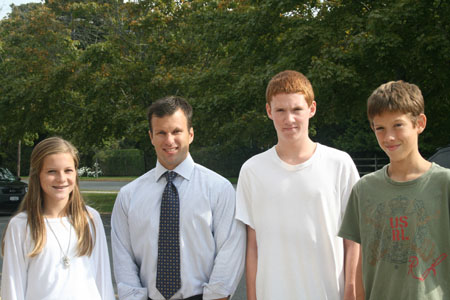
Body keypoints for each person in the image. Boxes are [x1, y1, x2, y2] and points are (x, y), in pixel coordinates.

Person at [235, 70, 361, 300]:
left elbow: (353, 238)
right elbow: (252, 245)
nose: (288, 119)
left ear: (311, 109)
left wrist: (351, 289)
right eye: (280, 110)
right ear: (268, 111)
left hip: (328, 293)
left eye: (296, 109)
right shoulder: (252, 170)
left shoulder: (339, 163)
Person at [111, 96, 245, 300]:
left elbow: (229, 252)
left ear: (190, 134)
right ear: (151, 137)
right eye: (161, 133)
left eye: (176, 131)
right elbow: (123, 257)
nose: (169, 140)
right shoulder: (128, 196)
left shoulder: (219, 189)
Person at [338, 80, 450, 299]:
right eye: (380, 128)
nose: (389, 137)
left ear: (420, 123)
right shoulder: (364, 189)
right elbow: (361, 263)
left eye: (398, 125)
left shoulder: (444, 184)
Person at [1, 137, 115, 300]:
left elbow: (102, 280)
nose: (61, 178)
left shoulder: (90, 218)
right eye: (51, 171)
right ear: (37, 175)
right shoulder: (20, 226)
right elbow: (12, 289)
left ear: (76, 173)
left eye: (68, 170)